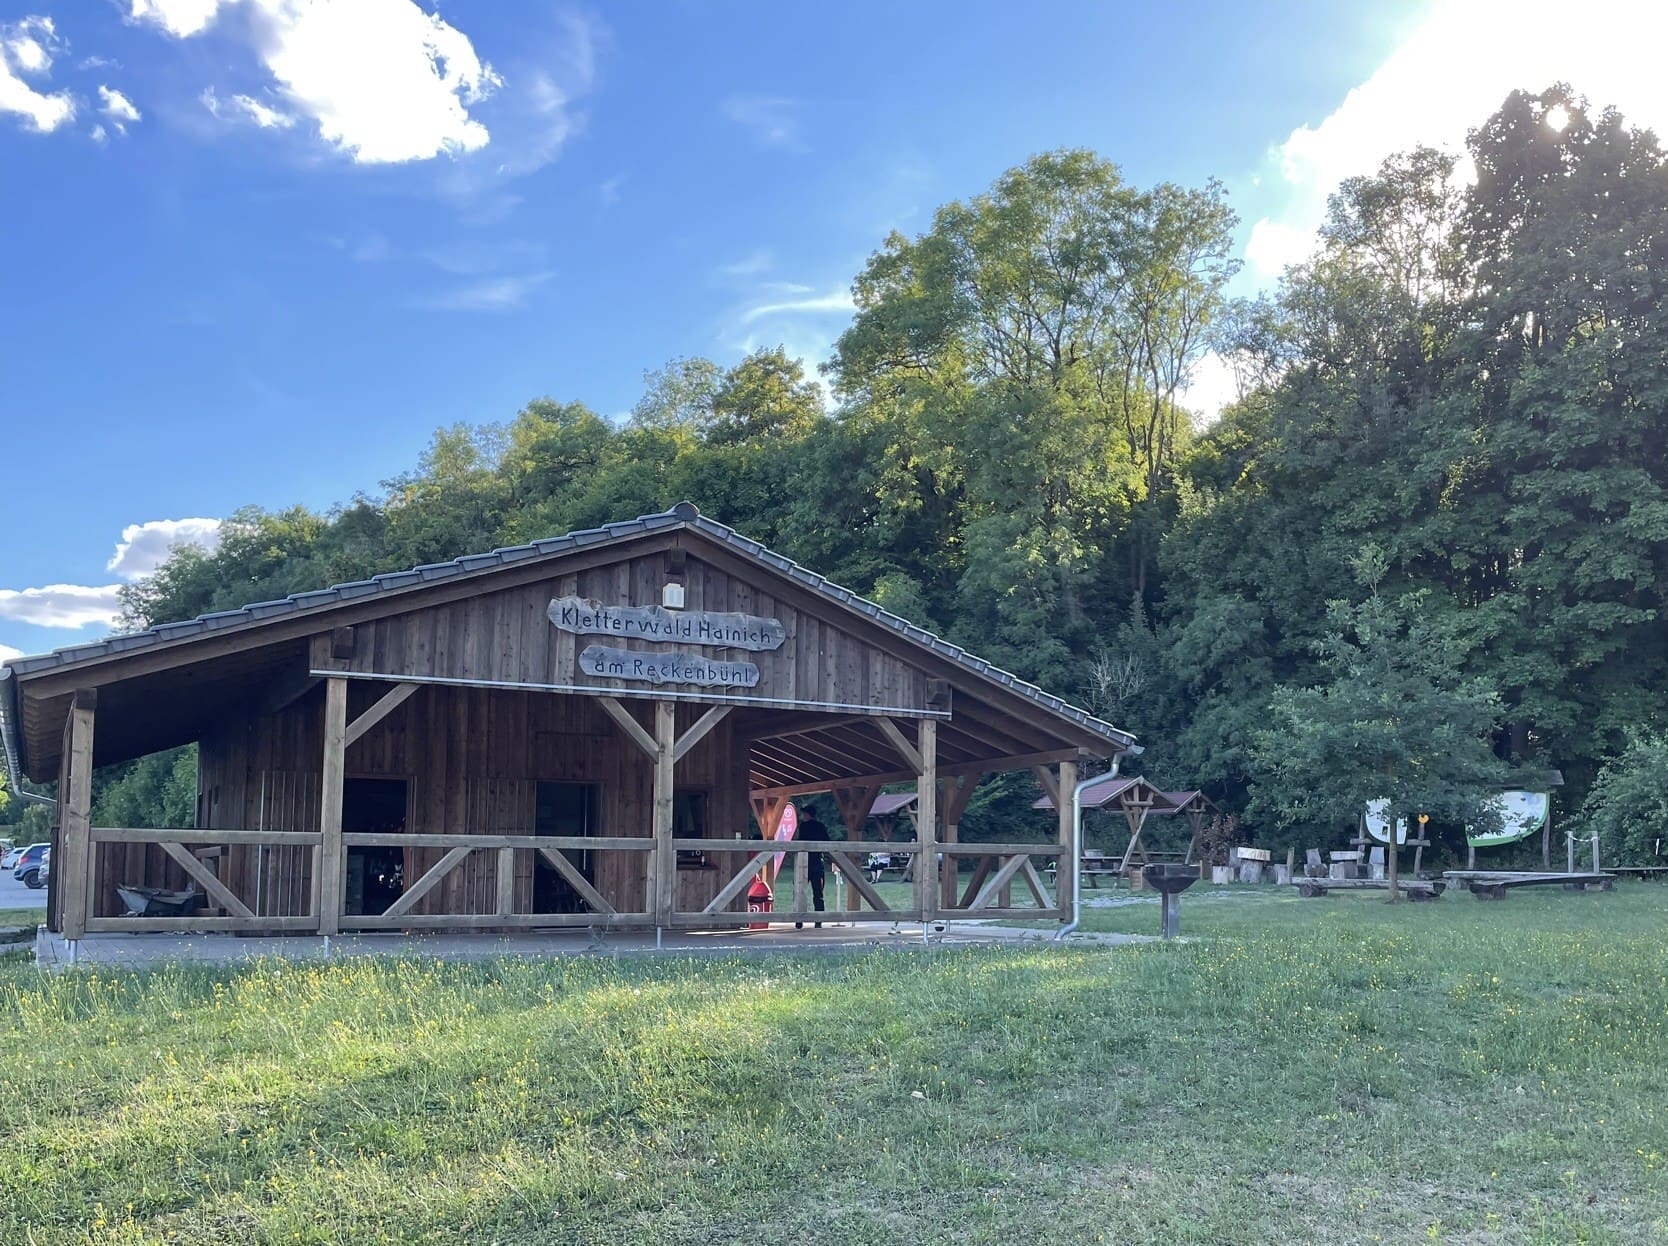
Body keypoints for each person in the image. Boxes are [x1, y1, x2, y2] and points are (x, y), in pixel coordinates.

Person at [795, 813, 830, 928]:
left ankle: (799, 920)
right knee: (818, 893)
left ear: (807, 815)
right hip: (817, 862)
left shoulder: (803, 827)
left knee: (800, 892)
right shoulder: (820, 826)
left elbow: (800, 842)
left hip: (804, 862)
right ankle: (818, 920)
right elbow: (827, 841)